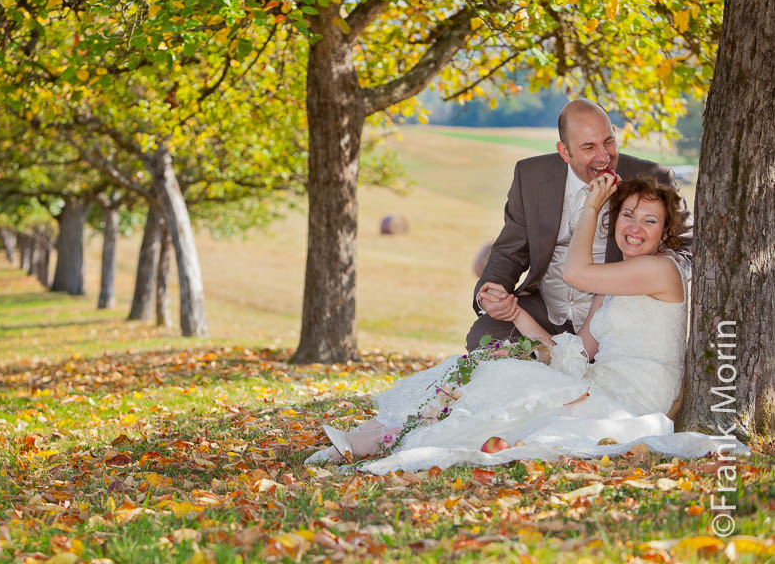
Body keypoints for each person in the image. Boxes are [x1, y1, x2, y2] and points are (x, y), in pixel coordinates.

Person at [306, 175, 747, 472]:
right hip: (601, 379)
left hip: (634, 394)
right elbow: (579, 353)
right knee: (496, 370)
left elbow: (574, 272)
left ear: (666, 232)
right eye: (627, 215)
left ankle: (385, 444)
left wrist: (593, 204)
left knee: (513, 389)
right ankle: (373, 438)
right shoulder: (612, 285)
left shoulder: (660, 270)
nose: (634, 227)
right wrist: (516, 315)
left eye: (649, 220)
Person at [467, 98, 691, 352]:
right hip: (545, 308)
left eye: (608, 142)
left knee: (583, 362)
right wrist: (491, 293)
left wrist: (649, 274)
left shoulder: (653, 176)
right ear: (564, 151)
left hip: (611, 311)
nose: (604, 157)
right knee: (484, 337)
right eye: (589, 147)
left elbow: (688, 247)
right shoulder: (530, 176)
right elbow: (509, 250)